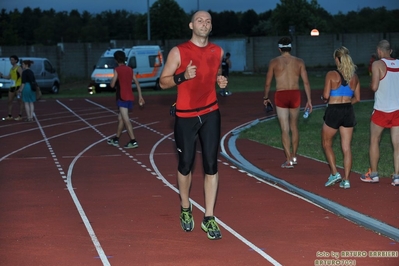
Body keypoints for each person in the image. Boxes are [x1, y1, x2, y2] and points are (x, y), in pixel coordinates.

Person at [159, 11, 228, 240]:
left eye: (208, 21)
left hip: (210, 113)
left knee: (211, 165)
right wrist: (182, 77)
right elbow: (162, 82)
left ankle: (209, 218)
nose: (204, 24)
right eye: (200, 20)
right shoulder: (179, 52)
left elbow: (216, 71)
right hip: (185, 116)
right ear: (191, 25)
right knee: (186, 164)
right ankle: (186, 207)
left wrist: (220, 80)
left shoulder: (218, 51)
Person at [263, 37, 312, 168]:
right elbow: (306, 82)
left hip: (281, 94)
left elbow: (268, 82)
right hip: (295, 94)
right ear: (290, 48)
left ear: (279, 48)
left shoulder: (274, 62)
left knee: (284, 129)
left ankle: (288, 159)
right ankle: (294, 156)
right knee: (294, 127)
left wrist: (265, 97)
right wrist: (309, 100)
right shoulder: (299, 62)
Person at [360, 40, 399, 186]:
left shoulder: (377, 64)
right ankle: (397, 176)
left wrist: (371, 83)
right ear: (391, 50)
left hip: (382, 110)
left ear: (379, 51)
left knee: (374, 141)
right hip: (397, 110)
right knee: (397, 145)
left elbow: (374, 87)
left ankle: (374, 174)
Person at [322, 46, 360, 189]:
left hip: (334, 111)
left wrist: (325, 98)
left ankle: (334, 173)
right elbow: (358, 98)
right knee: (346, 147)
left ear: (338, 59)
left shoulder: (331, 74)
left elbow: (326, 96)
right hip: (348, 111)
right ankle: (346, 180)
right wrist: (346, 102)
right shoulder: (354, 77)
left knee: (326, 143)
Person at [107, 50, 144, 149]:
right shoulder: (130, 69)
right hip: (129, 97)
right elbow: (137, 83)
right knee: (121, 119)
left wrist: (112, 80)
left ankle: (133, 140)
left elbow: (112, 84)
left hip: (122, 97)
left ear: (115, 60)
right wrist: (140, 96)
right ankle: (116, 139)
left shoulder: (117, 69)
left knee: (126, 119)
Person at [0, 55, 24, 121]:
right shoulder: (11, 69)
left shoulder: (19, 68)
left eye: (12, 60)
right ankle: (9, 115)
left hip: (18, 87)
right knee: (9, 101)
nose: (11, 61)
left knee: (20, 101)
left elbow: (23, 78)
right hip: (12, 87)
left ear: (16, 60)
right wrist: (2, 76)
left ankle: (20, 115)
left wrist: (21, 88)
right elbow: (9, 77)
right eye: (10, 60)